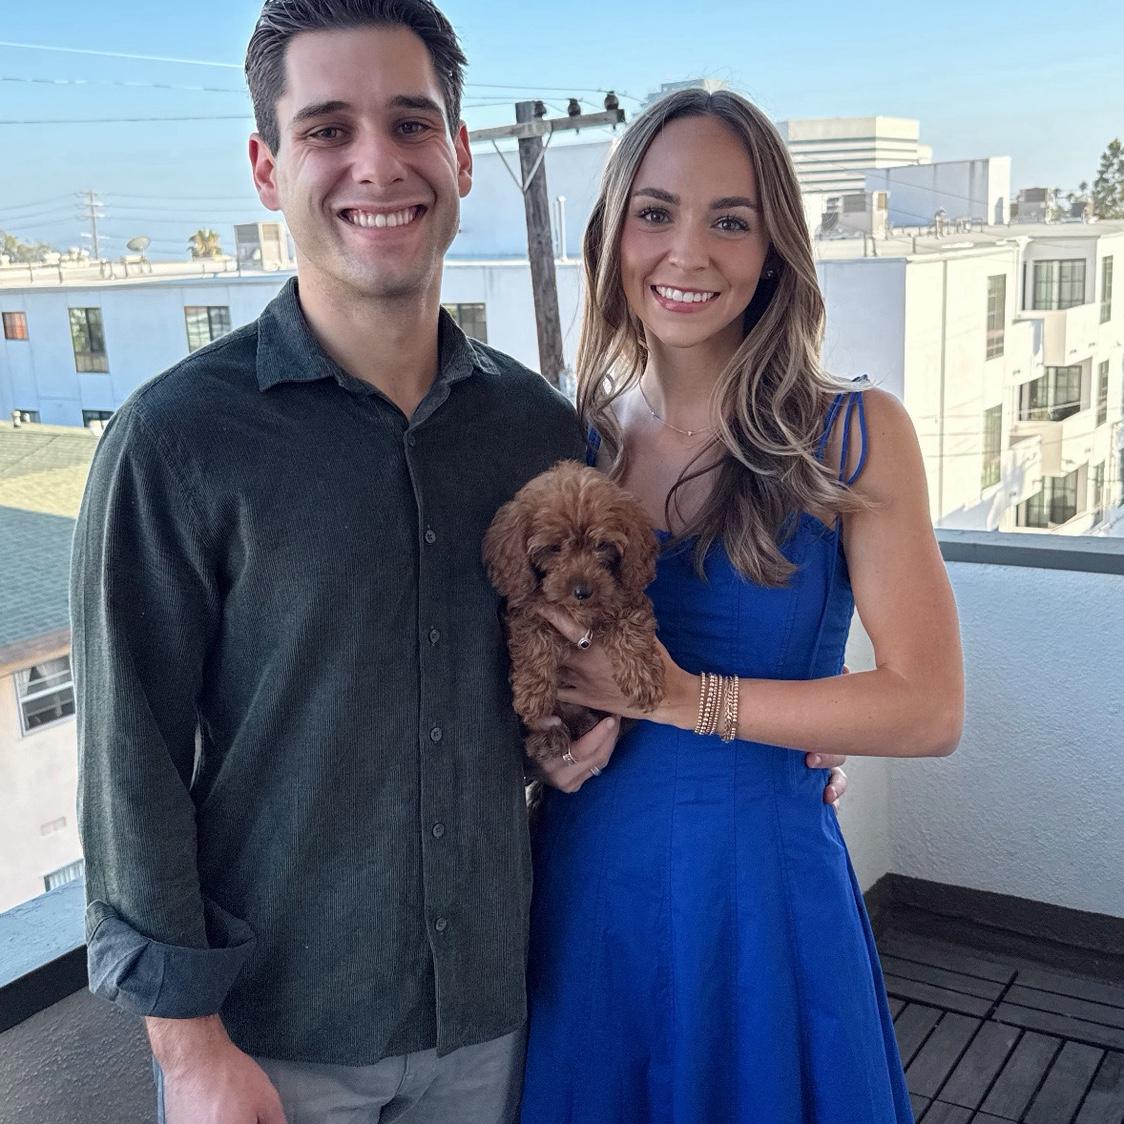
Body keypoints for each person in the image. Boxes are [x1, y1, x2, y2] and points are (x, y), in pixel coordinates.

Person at [71, 4, 847, 1122]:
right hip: (280, 1032)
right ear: (266, 167)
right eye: (326, 129)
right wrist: (188, 1049)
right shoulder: (177, 439)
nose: (376, 165)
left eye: (411, 123)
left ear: (462, 154)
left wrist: (778, 723)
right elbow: (127, 762)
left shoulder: (537, 431)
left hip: (496, 1010)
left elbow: (578, 634)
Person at [519, 89, 964, 1123]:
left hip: (764, 897)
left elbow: (929, 706)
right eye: (655, 213)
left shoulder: (851, 433)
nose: (688, 252)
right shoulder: (568, 441)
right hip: (592, 887)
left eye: (730, 220)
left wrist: (683, 698)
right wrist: (538, 749)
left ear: (773, 252)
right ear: (612, 235)